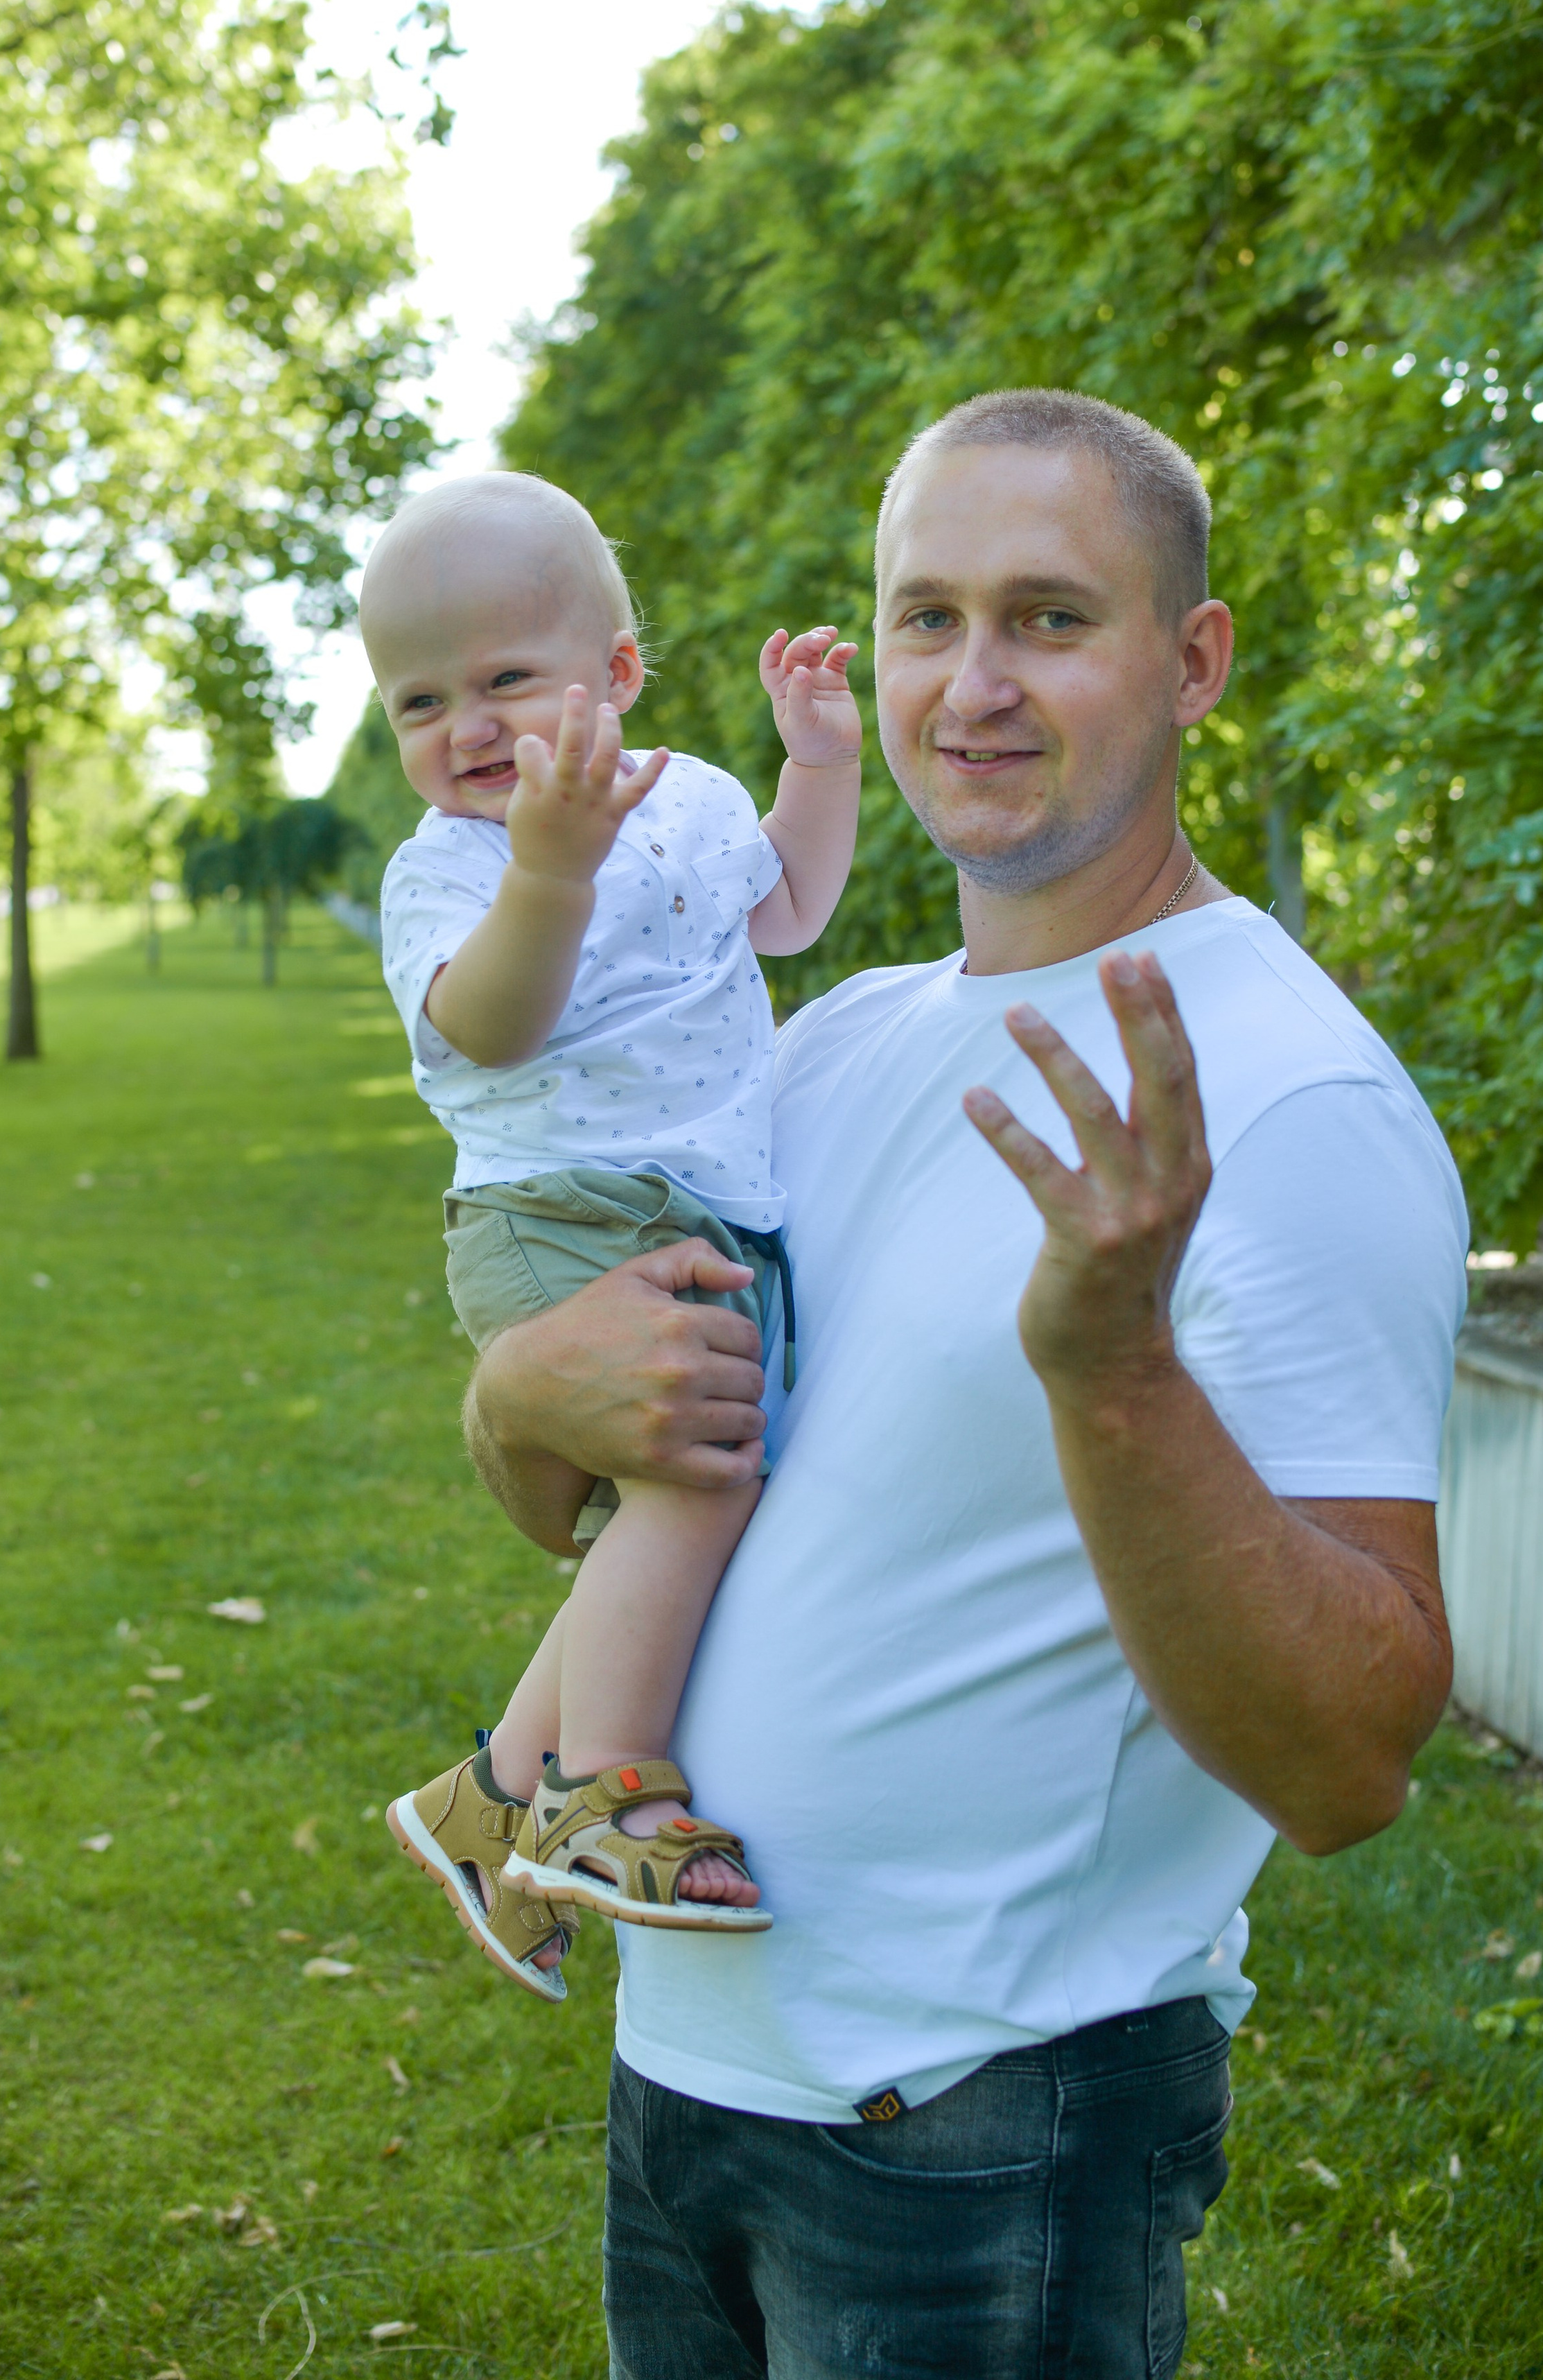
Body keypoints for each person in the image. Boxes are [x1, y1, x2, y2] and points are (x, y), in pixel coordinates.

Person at [458, 392, 1465, 2378]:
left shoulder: (1291, 1095)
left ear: (1193, 662)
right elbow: (624, 1497)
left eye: (1048, 619)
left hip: (982, 2121)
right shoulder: (829, 1044)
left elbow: (1349, 1762)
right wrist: (514, 1406)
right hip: (692, 2078)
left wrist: (1113, 1377)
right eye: (927, 618)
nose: (972, 685)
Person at [357, 471, 861, 2001]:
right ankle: (606, 1791)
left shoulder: (697, 798)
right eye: (419, 700)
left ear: (618, 676)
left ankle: (490, 1792)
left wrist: (817, 767)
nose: (468, 727)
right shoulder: (448, 868)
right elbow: (493, 1026)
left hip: (692, 1208)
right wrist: (548, 868)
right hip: (555, 1213)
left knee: (684, 1488)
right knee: (699, 1479)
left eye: (506, 677)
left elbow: (783, 915)